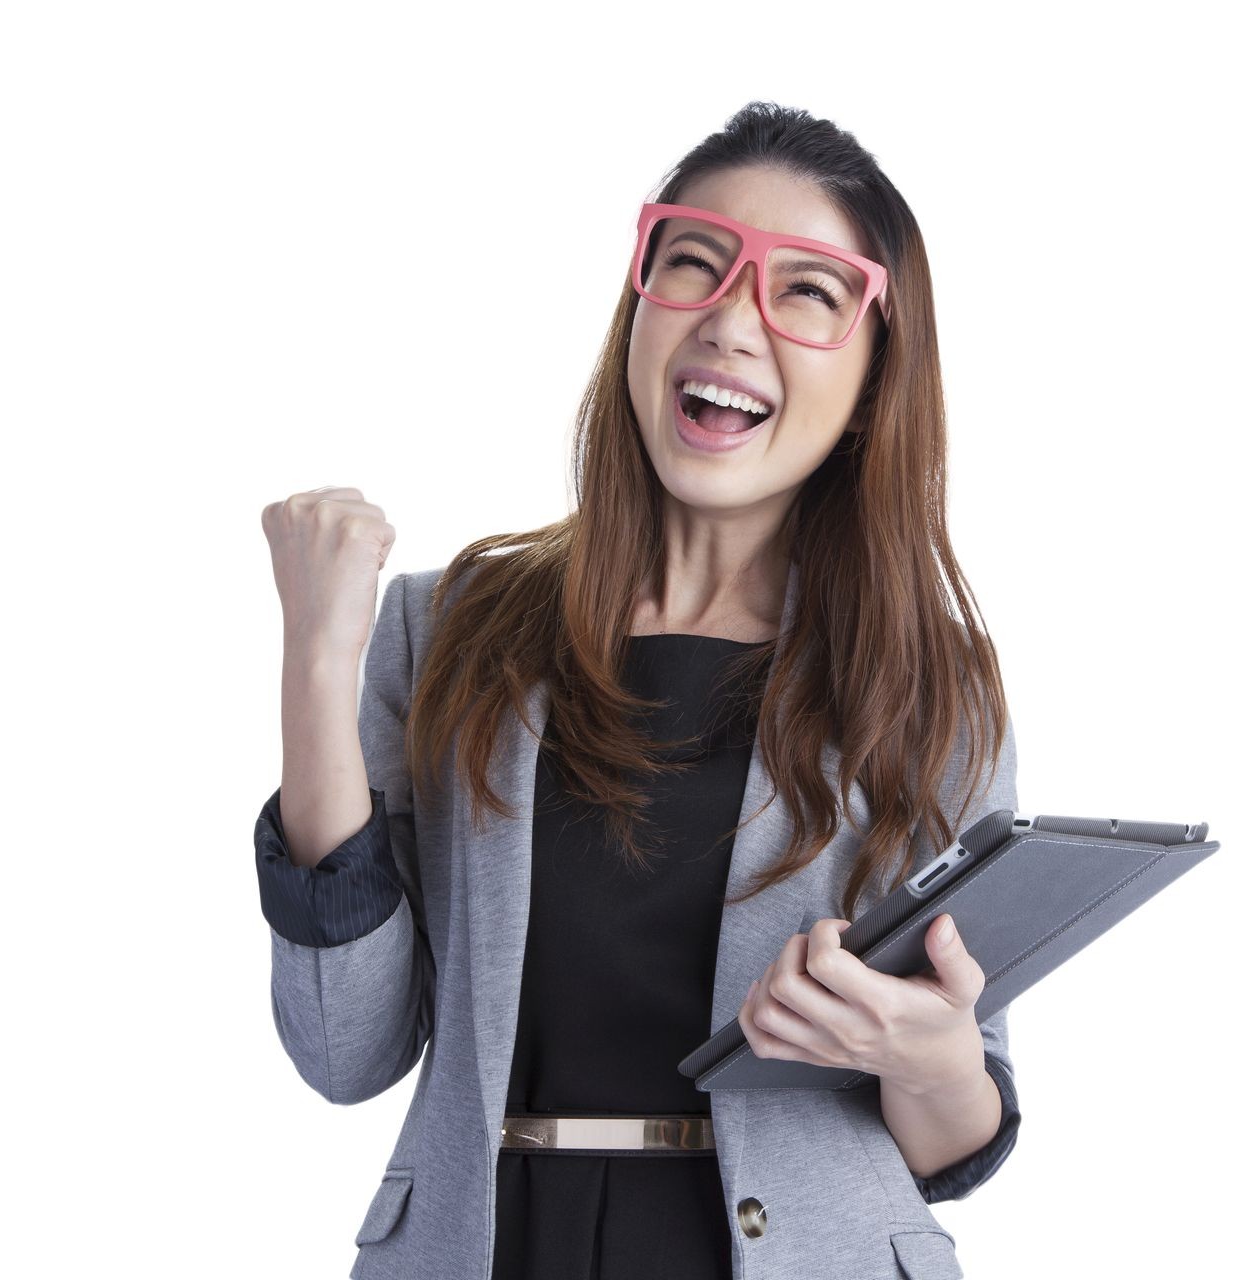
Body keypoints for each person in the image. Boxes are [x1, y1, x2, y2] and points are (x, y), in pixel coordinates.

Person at [253, 100, 1023, 1280]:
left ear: (875, 376)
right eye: (695, 263)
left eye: (807, 291)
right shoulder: (444, 628)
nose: (730, 319)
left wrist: (928, 1054)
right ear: (637, 310)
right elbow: (346, 1049)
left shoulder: (932, 685)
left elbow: (953, 1141)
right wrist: (318, 664)